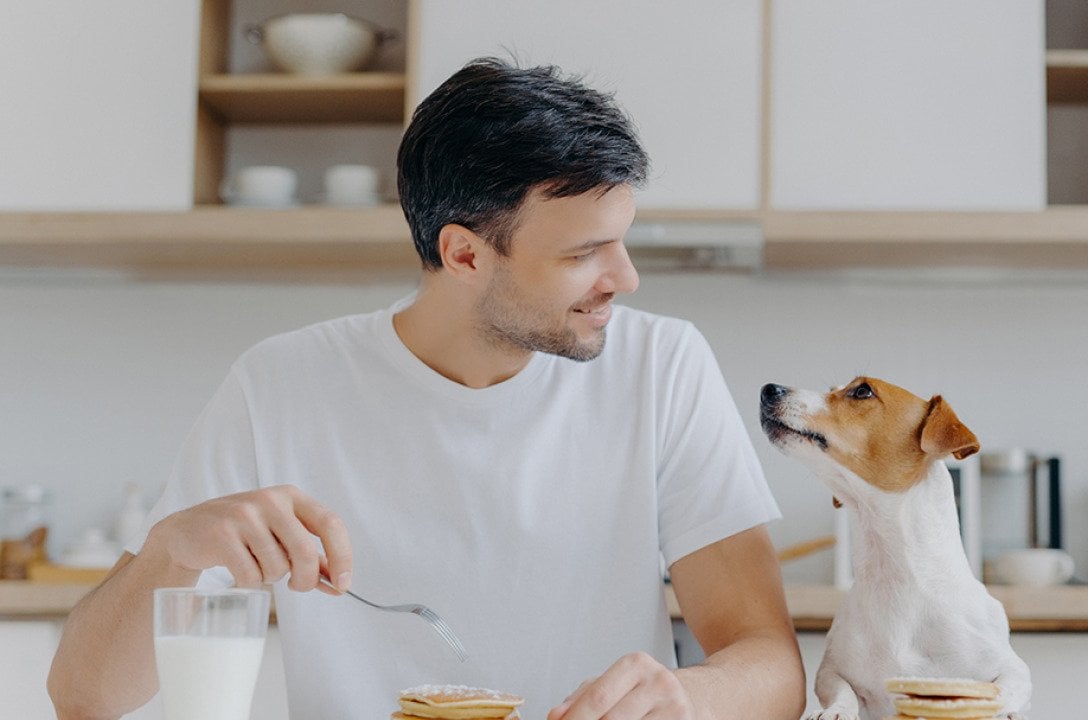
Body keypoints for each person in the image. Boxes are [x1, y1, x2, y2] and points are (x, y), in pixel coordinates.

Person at [48, 57, 805, 720]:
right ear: (464, 255)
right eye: (585, 253)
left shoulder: (661, 366)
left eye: (622, 240)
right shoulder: (278, 387)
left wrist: (691, 699)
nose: (625, 278)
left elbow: (769, 664)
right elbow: (84, 697)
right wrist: (169, 553)